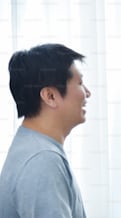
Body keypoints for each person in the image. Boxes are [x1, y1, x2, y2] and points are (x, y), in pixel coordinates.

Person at [0, 43, 91, 218]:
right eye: (80, 83)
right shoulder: (42, 160)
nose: (87, 93)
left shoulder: (33, 147)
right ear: (50, 96)